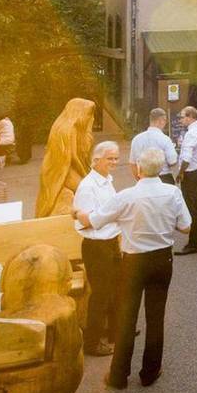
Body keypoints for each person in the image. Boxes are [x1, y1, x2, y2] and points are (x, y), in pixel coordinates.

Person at [74, 147, 190, 390]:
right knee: (156, 317)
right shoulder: (173, 193)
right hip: (162, 259)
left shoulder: (126, 197)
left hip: (135, 261)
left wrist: (75, 211)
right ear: (160, 168)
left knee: (127, 317)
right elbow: (186, 227)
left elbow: (93, 221)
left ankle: (118, 375)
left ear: (138, 169)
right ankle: (150, 372)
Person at [73, 141, 122, 356]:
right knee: (101, 295)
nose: (114, 162)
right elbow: (83, 221)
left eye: (116, 158)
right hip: (96, 247)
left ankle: (115, 332)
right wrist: (109, 217)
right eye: (110, 158)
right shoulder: (87, 186)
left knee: (117, 290)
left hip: (111, 243)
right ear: (96, 160)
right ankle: (92, 343)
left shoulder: (107, 181)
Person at [175, 106, 197, 255]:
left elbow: (187, 158)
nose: (180, 120)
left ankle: (193, 244)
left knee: (192, 208)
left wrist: (180, 173)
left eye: (182, 117)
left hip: (191, 173)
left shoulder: (191, 133)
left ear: (190, 117)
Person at [130, 108, 178, 184]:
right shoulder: (165, 139)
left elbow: (132, 163)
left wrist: (139, 179)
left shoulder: (137, 139)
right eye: (165, 120)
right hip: (164, 178)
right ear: (160, 120)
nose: (165, 123)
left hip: (143, 177)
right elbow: (172, 161)